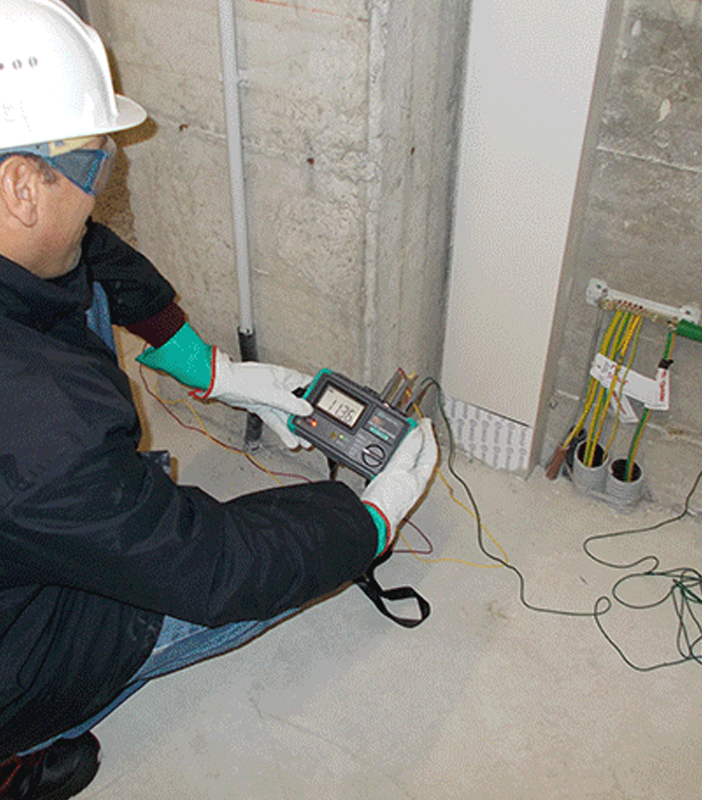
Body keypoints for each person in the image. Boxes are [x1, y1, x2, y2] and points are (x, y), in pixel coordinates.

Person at [0, 2, 439, 798]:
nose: (98, 195)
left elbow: (86, 254)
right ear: (20, 185)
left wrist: (216, 372)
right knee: (219, 589)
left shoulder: (18, 247)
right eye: (95, 166)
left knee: (72, 269)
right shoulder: (39, 426)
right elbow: (217, 570)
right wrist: (366, 521)